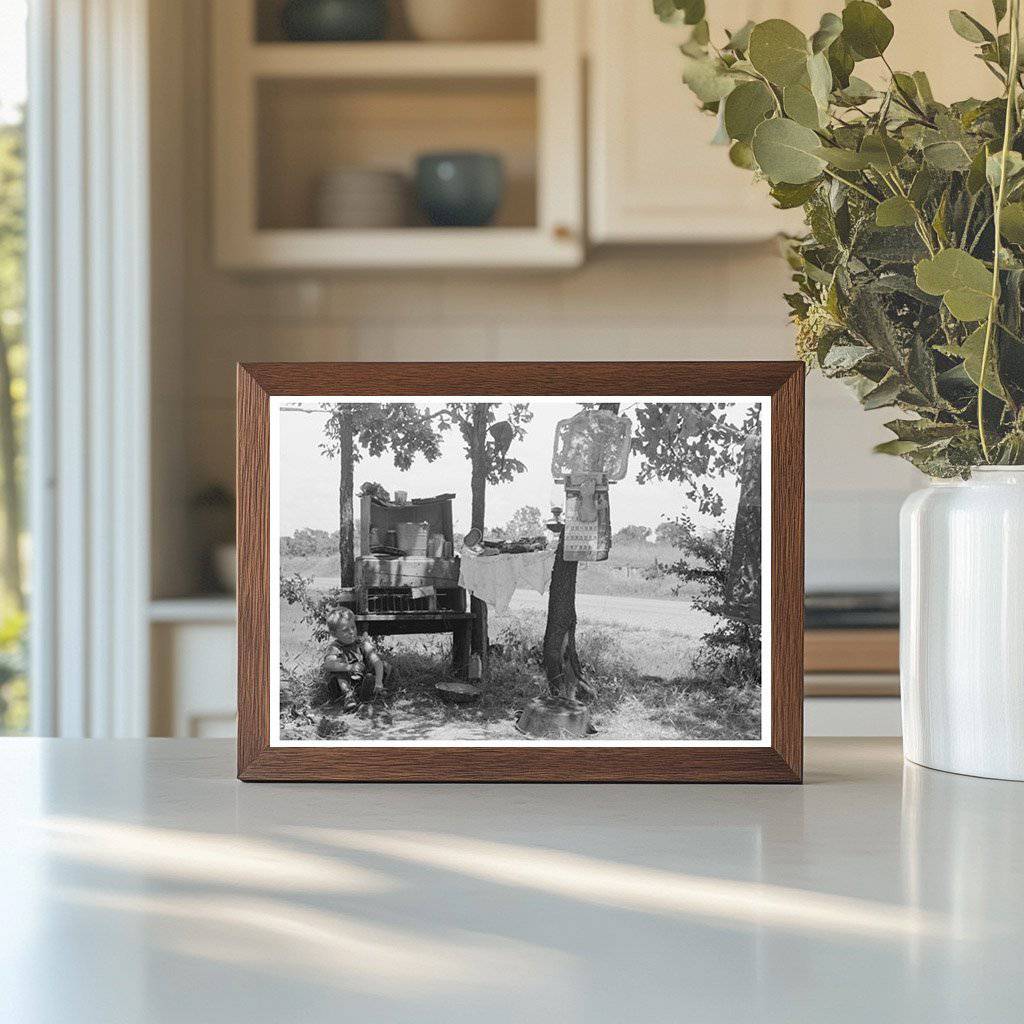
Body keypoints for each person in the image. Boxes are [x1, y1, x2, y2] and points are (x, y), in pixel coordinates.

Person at [322, 607, 386, 712]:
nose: (351, 632)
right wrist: (349, 667)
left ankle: (366, 693)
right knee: (338, 669)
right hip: (340, 686)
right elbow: (328, 664)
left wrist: (379, 681)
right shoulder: (335, 647)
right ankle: (348, 696)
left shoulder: (360, 643)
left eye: (353, 627)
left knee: (382, 666)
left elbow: (376, 661)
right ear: (334, 634)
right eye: (345, 630)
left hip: (359, 680)